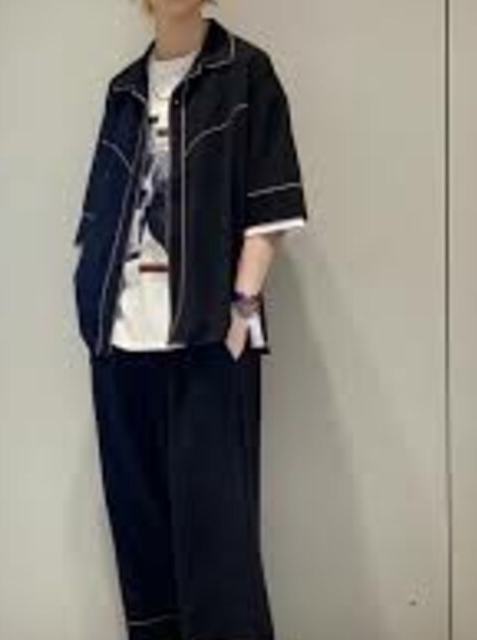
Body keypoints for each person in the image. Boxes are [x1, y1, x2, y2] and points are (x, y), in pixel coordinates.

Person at [72, 2, 308, 639]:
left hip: (207, 339)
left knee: (218, 542)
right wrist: (90, 309)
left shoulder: (245, 72)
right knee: (140, 533)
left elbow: (270, 209)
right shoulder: (123, 90)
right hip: (120, 339)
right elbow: (97, 215)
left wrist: (241, 312)